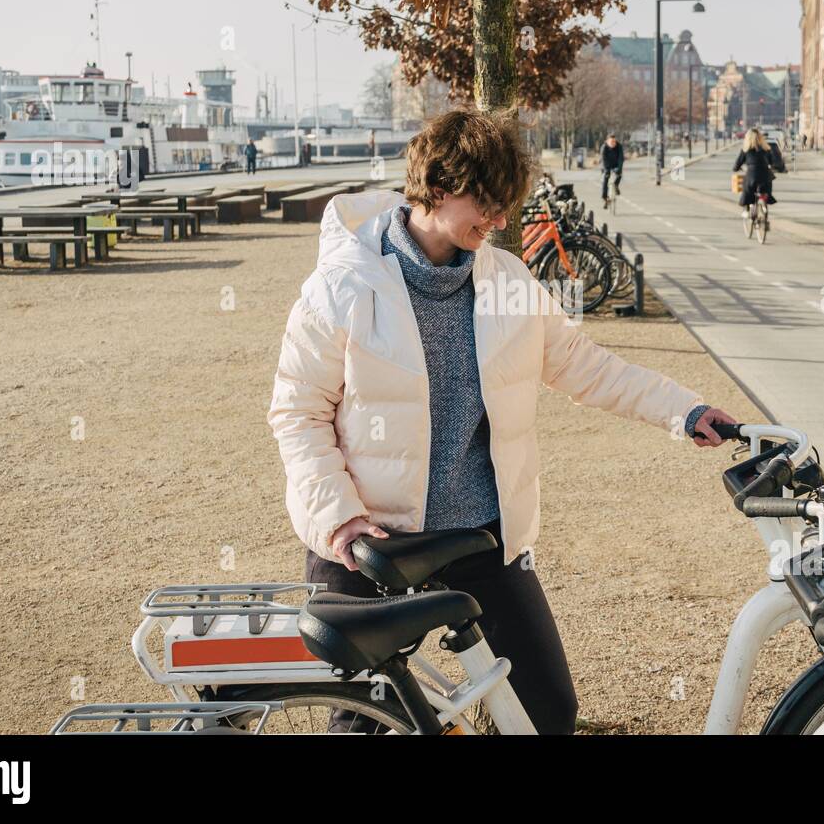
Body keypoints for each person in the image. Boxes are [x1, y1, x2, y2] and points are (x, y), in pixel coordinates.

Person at [267, 108, 741, 735]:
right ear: (437, 185)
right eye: (485, 204)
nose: (497, 221)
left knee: (546, 711)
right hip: (369, 544)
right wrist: (341, 520)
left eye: (503, 207)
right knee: (366, 723)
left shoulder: (506, 282)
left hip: (478, 538)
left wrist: (685, 411)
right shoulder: (343, 284)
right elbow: (297, 413)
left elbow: (586, 366)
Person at [732, 127, 776, 210]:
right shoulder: (766, 149)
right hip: (766, 177)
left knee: (747, 191)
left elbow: (736, 166)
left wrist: (737, 168)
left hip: (752, 177)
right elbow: (772, 162)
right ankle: (764, 207)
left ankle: (746, 210)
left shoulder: (746, 150)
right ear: (760, 138)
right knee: (765, 192)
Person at [600, 133, 624, 210]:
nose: (613, 143)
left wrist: (619, 168)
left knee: (619, 175)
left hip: (616, 165)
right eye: (611, 142)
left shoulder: (619, 147)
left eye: (614, 142)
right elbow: (603, 160)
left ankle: (616, 185)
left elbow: (621, 158)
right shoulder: (604, 147)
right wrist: (606, 170)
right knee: (605, 180)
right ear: (607, 141)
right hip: (606, 165)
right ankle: (605, 199)